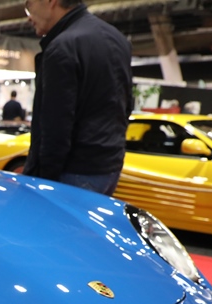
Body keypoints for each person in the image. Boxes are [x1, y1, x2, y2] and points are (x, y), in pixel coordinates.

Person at [23, 0, 133, 196]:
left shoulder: (62, 47)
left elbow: (56, 126)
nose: (29, 17)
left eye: (29, 5)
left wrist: (43, 182)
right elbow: (126, 105)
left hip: (72, 171)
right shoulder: (117, 38)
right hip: (110, 166)